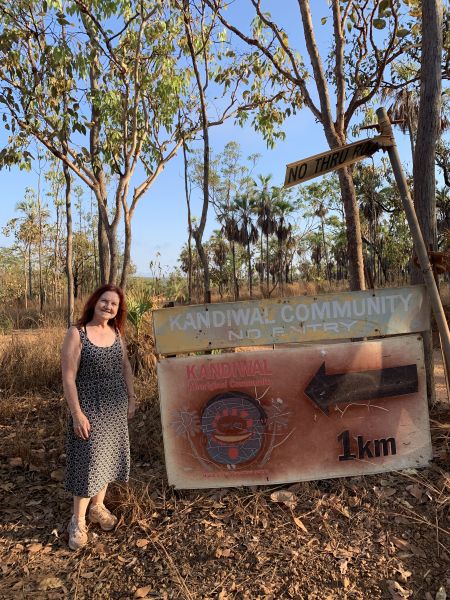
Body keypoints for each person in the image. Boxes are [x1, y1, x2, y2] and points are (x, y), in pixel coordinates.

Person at [61, 284, 136, 551]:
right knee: (87, 463)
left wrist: (131, 397)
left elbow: (125, 366)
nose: (108, 306)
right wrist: (77, 413)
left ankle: (97, 507)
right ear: (94, 302)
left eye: (114, 304)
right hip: (89, 407)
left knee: (107, 459)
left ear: (118, 310)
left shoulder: (116, 332)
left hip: (115, 407)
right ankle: (78, 521)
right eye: (105, 301)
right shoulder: (77, 333)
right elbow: (68, 376)